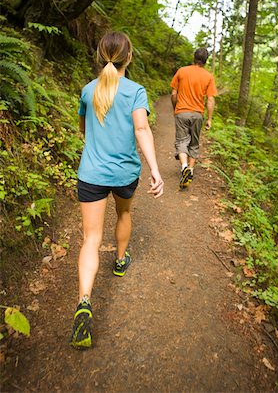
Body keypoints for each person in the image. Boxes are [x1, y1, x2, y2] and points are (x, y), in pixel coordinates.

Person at [69, 31, 164, 350]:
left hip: (91, 173)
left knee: (90, 239)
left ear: (99, 56)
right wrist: (154, 169)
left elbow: (83, 129)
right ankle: (121, 260)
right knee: (123, 213)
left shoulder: (87, 90)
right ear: (130, 58)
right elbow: (141, 128)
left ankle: (84, 301)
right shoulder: (136, 91)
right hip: (124, 173)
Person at [170, 48, 217, 189]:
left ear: (194, 57)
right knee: (194, 143)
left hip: (182, 112)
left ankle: (184, 167)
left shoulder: (182, 71)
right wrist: (209, 119)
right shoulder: (208, 76)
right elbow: (210, 99)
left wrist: (175, 109)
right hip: (197, 114)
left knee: (181, 141)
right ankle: (190, 170)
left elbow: (173, 94)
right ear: (206, 60)